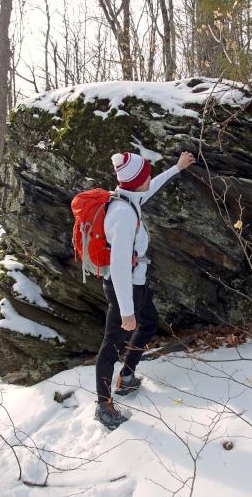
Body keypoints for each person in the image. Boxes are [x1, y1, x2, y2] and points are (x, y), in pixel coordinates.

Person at [95, 150, 196, 430]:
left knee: (149, 322)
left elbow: (151, 188)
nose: (150, 177)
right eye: (146, 175)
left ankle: (126, 377)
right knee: (111, 345)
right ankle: (103, 406)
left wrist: (176, 168)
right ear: (136, 181)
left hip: (136, 284)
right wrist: (127, 311)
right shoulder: (122, 216)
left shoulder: (128, 197)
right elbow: (117, 267)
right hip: (123, 288)